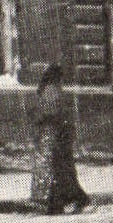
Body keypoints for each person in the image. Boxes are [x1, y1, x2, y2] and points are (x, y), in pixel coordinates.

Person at [30, 63, 90, 214]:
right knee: (60, 171)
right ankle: (66, 200)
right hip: (56, 137)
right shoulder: (53, 90)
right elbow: (55, 113)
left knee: (56, 171)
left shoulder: (48, 90)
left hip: (52, 137)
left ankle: (57, 202)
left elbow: (49, 114)